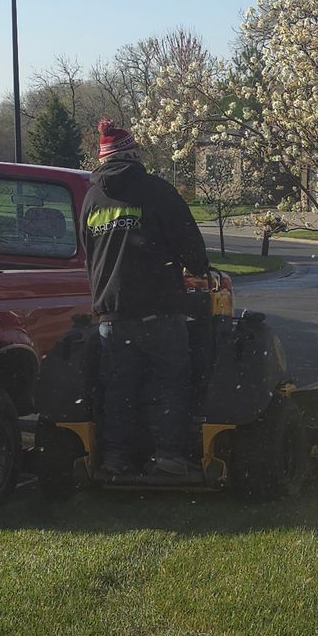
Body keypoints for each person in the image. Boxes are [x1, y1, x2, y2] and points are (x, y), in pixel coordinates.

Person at [81, 119, 211, 478]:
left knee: (119, 387)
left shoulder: (92, 198)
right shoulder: (156, 191)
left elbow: (89, 255)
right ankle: (168, 454)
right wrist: (198, 267)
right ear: (133, 153)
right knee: (171, 379)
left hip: (112, 313)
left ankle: (116, 458)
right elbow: (189, 244)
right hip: (159, 309)